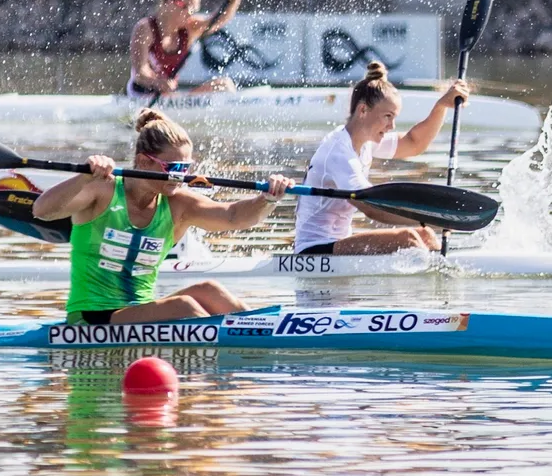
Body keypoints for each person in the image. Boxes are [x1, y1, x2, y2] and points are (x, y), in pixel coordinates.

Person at [32, 109, 295, 325]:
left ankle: (264, 334)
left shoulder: (178, 204)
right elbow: (41, 211)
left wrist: (269, 198)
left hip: (140, 313)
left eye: (185, 168)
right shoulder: (103, 190)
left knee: (210, 291)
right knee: (184, 306)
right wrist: (83, 177)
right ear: (144, 162)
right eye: (172, 168)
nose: (179, 176)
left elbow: (234, 216)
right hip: (93, 318)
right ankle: (233, 356)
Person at [294, 62, 470, 256]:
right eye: (387, 116)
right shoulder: (338, 153)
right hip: (312, 250)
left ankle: (448, 268)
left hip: (338, 242)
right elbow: (372, 207)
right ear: (363, 111)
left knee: (426, 235)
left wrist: (441, 106)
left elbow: (414, 143)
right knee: (409, 239)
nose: (392, 125)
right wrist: (433, 218)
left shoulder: (366, 140)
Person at [126, 0, 242, 101]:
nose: (190, 13)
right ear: (169, 2)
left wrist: (233, 0)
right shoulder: (145, 29)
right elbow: (141, 73)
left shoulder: (189, 28)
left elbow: (216, 20)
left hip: (169, 98)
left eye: (193, 9)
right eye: (186, 7)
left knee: (224, 85)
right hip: (141, 97)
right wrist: (158, 82)